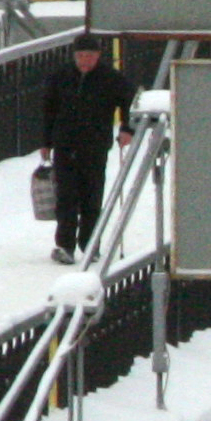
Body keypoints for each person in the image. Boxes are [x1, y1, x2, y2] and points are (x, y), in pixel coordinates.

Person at [40, 34, 140, 264]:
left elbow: (131, 100)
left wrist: (127, 128)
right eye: (81, 56)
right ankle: (65, 245)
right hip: (65, 145)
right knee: (66, 197)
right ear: (74, 56)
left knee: (92, 196)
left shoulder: (110, 78)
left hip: (95, 145)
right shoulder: (60, 77)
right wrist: (46, 142)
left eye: (90, 56)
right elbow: (48, 110)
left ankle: (90, 244)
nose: (85, 60)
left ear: (98, 56)